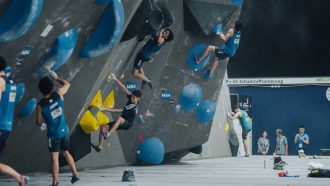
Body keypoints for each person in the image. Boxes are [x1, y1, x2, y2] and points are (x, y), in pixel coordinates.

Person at [36, 71, 79, 186]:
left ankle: (55, 182)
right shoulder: (59, 93)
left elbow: (38, 122)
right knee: (66, 152)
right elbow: (67, 84)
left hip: (53, 135)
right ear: (51, 87)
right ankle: (75, 174)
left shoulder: (40, 105)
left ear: (41, 89)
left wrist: (43, 124)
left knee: (55, 158)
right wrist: (56, 77)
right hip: (64, 131)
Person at [91, 74, 142, 153]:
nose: (131, 98)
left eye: (133, 98)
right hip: (121, 121)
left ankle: (108, 135)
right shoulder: (133, 98)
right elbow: (124, 89)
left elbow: (117, 110)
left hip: (127, 124)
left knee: (120, 118)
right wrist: (115, 79)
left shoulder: (133, 106)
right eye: (131, 96)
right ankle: (99, 147)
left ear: (138, 99)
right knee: (102, 127)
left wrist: (104, 108)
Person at [0, 56, 30, 186]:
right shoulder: (11, 83)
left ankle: (20, 177)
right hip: (6, 127)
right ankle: (20, 178)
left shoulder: (0, 81)